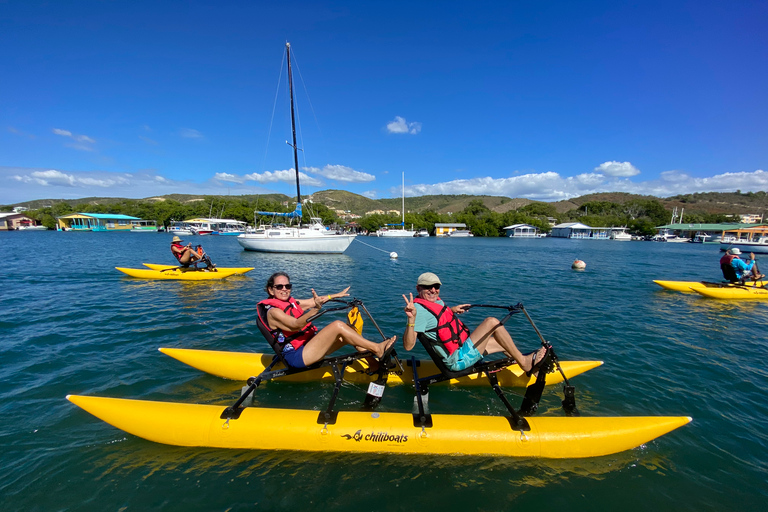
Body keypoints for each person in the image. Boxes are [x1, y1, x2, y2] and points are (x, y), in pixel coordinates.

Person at [401, 272, 549, 375]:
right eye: (428, 287)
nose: (433, 290)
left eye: (436, 286)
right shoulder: (418, 312)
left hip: (461, 348)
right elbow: (408, 347)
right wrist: (411, 320)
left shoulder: (432, 302)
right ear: (418, 289)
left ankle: (525, 366)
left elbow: (437, 320)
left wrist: (452, 310)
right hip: (457, 360)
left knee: (502, 341)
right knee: (491, 322)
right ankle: (524, 362)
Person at [259, 272, 396, 368]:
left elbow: (314, 301)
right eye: (279, 287)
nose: (284, 289)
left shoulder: (292, 302)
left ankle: (373, 365)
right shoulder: (274, 312)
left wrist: (336, 295)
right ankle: (377, 348)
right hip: (297, 356)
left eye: (287, 286)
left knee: (349, 332)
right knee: (337, 325)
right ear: (271, 290)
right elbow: (296, 325)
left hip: (309, 346)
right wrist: (316, 309)